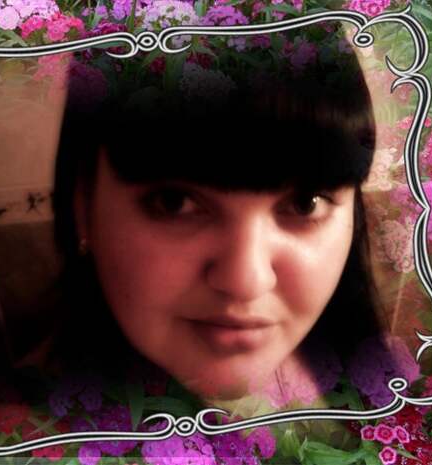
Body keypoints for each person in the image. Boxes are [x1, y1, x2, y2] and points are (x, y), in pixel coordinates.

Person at [45, 26, 394, 406]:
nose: (246, 282)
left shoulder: (393, 387)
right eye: (174, 202)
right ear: (83, 205)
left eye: (304, 203)